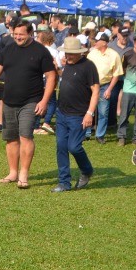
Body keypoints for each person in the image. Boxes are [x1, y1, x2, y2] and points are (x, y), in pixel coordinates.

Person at [0, 19, 57, 190]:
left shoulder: (40, 51)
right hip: (9, 100)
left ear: (30, 33)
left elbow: (52, 76)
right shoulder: (8, 49)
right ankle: (13, 172)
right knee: (11, 138)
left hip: (31, 101)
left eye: (21, 35)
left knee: (25, 136)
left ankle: (24, 173)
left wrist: (44, 101)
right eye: (15, 34)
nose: (18, 37)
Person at [52, 38, 100, 192]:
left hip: (78, 115)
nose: (68, 56)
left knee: (74, 147)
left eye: (71, 53)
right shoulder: (67, 65)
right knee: (61, 146)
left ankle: (86, 170)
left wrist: (89, 114)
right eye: (66, 53)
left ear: (80, 53)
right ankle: (64, 182)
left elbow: (96, 91)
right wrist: (57, 70)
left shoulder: (88, 66)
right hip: (62, 113)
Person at [85, 31, 122, 142]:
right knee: (88, 110)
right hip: (90, 85)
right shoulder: (91, 54)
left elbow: (116, 74)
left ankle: (99, 135)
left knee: (103, 111)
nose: (95, 42)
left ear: (104, 42)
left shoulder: (114, 55)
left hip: (104, 86)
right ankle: (86, 132)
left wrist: (109, 89)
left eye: (97, 41)